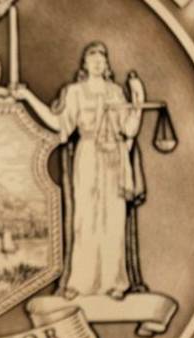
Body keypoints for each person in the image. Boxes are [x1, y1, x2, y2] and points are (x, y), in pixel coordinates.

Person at [14, 41, 144, 299]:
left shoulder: (116, 93)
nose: (97, 62)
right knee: (85, 219)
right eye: (92, 58)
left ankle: (114, 283)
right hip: (88, 156)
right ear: (84, 64)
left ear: (106, 64)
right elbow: (59, 124)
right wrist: (28, 97)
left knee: (114, 219)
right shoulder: (75, 92)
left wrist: (138, 100)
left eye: (101, 58)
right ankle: (81, 283)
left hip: (114, 160)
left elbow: (129, 129)